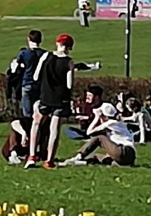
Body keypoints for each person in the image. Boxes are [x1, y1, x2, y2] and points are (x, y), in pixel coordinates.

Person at [26, 34, 75, 169]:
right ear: (70, 47)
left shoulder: (46, 56)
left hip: (45, 96)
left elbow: (36, 76)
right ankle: (49, 160)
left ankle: (31, 156)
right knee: (54, 130)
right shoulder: (69, 62)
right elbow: (69, 84)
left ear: (57, 43)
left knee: (36, 124)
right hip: (60, 99)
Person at [66, 100, 138, 166]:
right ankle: (82, 163)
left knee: (100, 138)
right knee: (98, 157)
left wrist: (96, 117)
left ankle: (78, 156)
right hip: (130, 155)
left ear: (105, 116)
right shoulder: (118, 123)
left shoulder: (110, 123)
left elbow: (89, 132)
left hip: (123, 150)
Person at [8, 30, 46, 119]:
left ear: (29, 39)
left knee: (27, 112)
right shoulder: (45, 54)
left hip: (27, 82)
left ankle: (28, 129)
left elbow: (14, 69)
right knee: (38, 110)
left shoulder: (24, 53)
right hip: (41, 84)